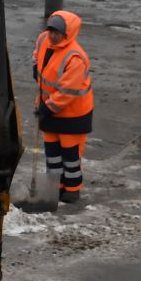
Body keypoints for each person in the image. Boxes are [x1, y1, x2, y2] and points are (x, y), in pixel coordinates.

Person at [33, 11, 94, 205]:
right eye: (51, 29)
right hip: (50, 109)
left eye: (57, 32)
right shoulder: (44, 39)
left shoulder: (75, 58)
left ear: (68, 33)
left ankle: (72, 189)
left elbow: (67, 91)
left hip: (72, 114)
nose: (52, 35)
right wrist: (36, 65)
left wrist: (47, 108)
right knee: (52, 151)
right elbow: (37, 54)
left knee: (70, 154)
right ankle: (55, 186)